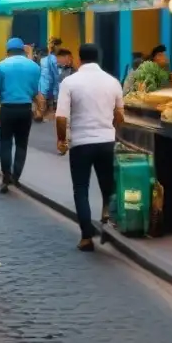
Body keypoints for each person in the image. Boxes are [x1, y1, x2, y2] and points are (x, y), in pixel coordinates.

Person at [55, 43, 123, 252]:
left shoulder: (70, 82)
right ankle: (107, 218)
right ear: (98, 58)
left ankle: (86, 237)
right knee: (108, 185)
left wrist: (61, 140)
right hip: (106, 141)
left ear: (79, 58)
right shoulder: (113, 82)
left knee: (81, 189)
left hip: (81, 143)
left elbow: (61, 117)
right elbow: (120, 116)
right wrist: (113, 130)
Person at [0, 38, 43, 193]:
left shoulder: (1, 66)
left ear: (7, 51)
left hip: (7, 108)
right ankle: (16, 176)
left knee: (5, 142)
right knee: (21, 143)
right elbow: (36, 89)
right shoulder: (34, 67)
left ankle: (6, 176)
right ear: (23, 50)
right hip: (25, 109)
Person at [39, 37, 63, 113]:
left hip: (43, 87)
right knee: (50, 110)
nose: (60, 48)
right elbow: (55, 76)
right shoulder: (53, 59)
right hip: (50, 88)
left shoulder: (43, 60)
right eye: (59, 46)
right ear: (56, 46)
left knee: (44, 110)